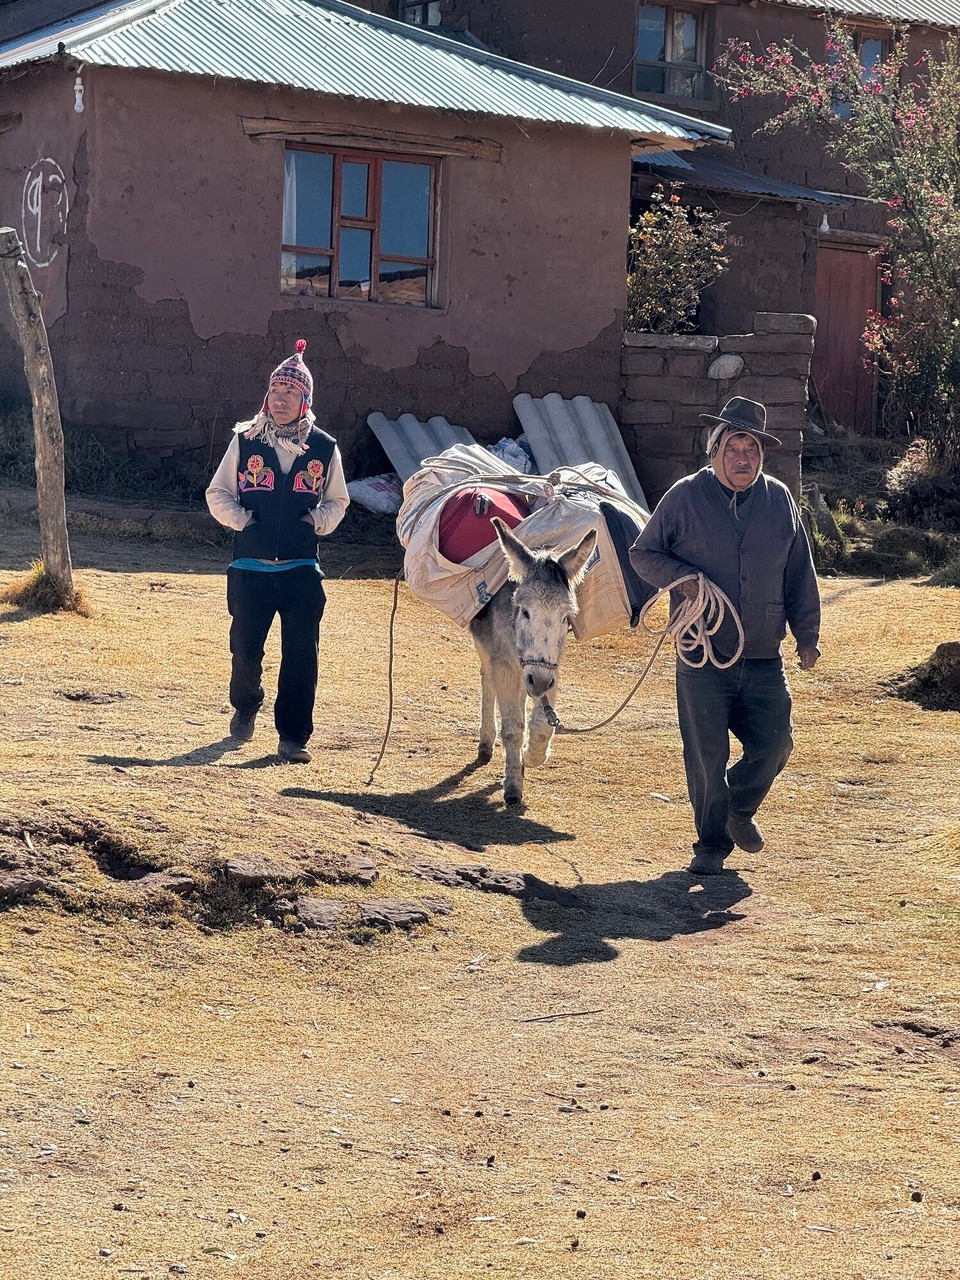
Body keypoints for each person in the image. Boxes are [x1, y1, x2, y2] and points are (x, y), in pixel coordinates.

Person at [629, 397, 820, 876]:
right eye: (733, 447)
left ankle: (737, 808)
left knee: (776, 745)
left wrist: (807, 635)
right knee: (707, 755)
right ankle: (711, 844)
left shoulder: (779, 501)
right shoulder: (684, 497)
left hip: (761, 655)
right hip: (702, 657)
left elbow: (799, 572)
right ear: (714, 451)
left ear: (762, 456)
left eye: (751, 449)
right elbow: (643, 554)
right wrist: (686, 579)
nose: (742, 458)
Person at [206, 339, 349, 764]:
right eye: (275, 392)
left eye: (290, 393)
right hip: (250, 568)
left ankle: (293, 737)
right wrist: (243, 521)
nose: (281, 400)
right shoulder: (246, 441)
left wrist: (316, 522)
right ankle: (246, 706)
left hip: (302, 569)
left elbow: (337, 501)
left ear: (305, 400)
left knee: (302, 654)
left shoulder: (324, 448)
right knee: (245, 650)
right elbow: (217, 493)